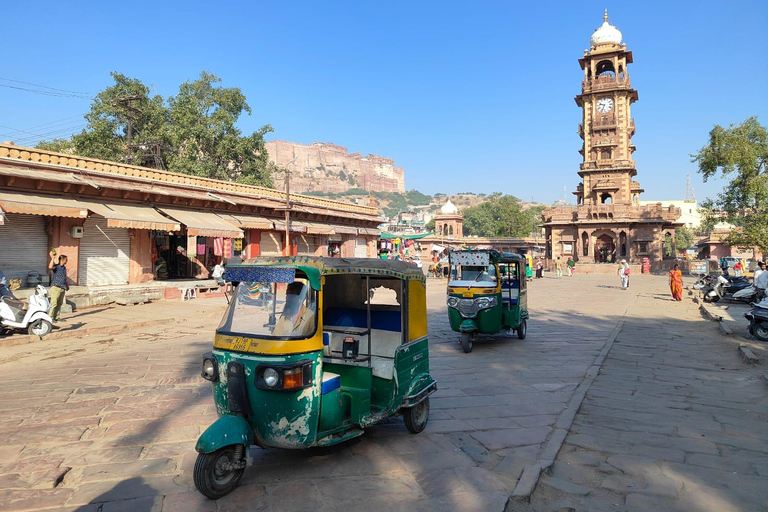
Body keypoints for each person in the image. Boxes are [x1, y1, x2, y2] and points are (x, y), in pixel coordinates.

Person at [48, 250, 69, 322]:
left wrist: (67, 285)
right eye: (66, 260)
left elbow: (64, 277)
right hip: (55, 287)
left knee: (59, 303)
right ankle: (50, 317)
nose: (67, 261)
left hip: (62, 287)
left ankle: (56, 316)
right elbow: (50, 267)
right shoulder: (56, 267)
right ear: (62, 260)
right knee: (54, 303)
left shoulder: (64, 268)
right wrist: (52, 258)